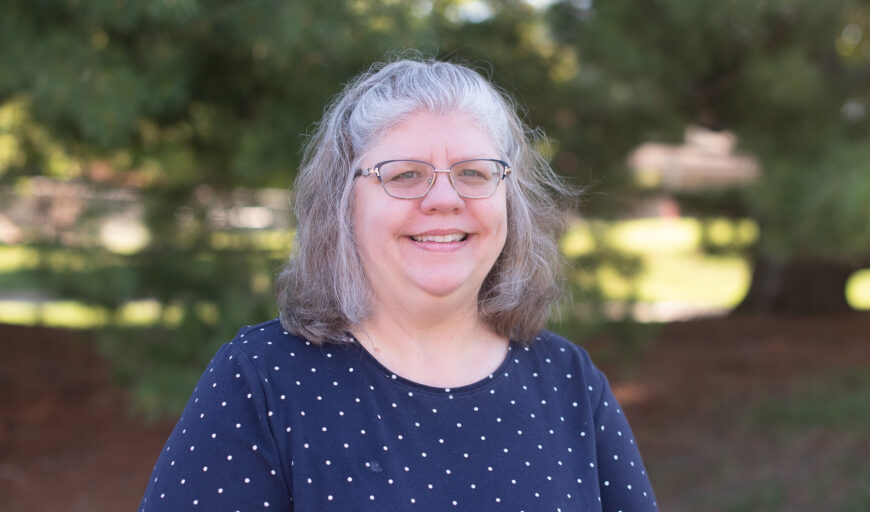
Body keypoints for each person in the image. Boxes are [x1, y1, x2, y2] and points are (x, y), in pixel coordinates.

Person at [139, 57, 657, 511]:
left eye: (474, 173)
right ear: (345, 204)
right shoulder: (262, 381)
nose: (444, 199)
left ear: (509, 199)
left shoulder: (568, 382)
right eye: (405, 174)